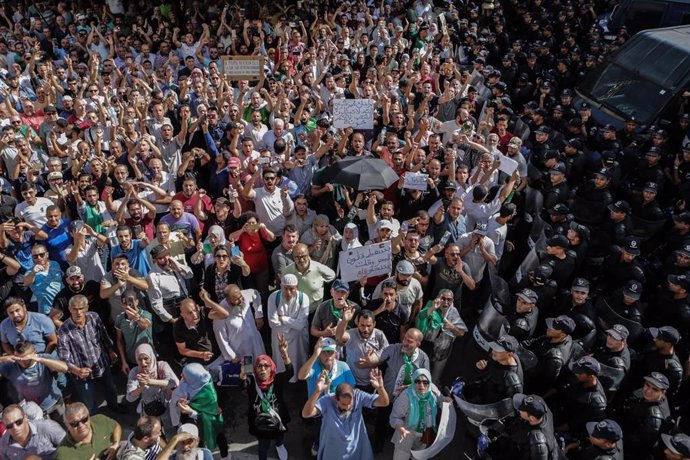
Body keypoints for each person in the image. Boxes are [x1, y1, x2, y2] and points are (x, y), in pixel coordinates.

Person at [56, 295, 125, 414]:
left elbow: (104, 336)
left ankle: (114, 407)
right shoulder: (64, 329)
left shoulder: (94, 317)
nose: (78, 312)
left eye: (81, 308)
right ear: (69, 309)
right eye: (75, 309)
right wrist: (77, 370)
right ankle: (95, 420)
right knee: (88, 401)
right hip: (82, 373)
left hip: (102, 364)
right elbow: (64, 357)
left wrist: (111, 351)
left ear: (86, 308)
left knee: (111, 389)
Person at [302, 368, 389, 460]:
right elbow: (306, 414)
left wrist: (380, 388)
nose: (347, 408)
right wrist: (318, 391)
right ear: (336, 399)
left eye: (350, 404)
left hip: (357, 450)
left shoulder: (358, 396)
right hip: (333, 451)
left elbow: (384, 403)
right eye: (343, 404)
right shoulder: (327, 400)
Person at [240, 337, 291, 460]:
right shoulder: (252, 381)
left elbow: (290, 373)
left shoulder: (277, 380)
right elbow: (243, 383)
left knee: (279, 436)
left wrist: (285, 355)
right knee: (263, 446)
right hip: (259, 423)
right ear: (255, 369)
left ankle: (279, 445)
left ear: (271, 368)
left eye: (266, 366)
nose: (262, 369)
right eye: (259, 366)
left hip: (277, 419)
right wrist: (243, 375)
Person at [170, 363, 229, 460]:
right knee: (197, 440)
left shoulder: (208, 395)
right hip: (194, 422)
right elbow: (178, 393)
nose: (181, 376)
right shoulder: (192, 381)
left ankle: (225, 456)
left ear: (192, 378)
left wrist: (190, 411)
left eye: (184, 375)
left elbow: (209, 416)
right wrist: (180, 402)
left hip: (211, 421)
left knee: (218, 436)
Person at [0, 341, 68, 420]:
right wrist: (4, 358)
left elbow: (64, 368)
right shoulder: (11, 366)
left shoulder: (43, 358)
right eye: (19, 359)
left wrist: (39, 359)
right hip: (35, 410)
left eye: (27, 359)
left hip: (54, 402)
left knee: (63, 429)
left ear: (34, 352)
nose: (23, 362)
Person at [389, 368, 445, 460]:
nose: (421, 385)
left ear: (429, 382)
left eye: (425, 382)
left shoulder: (433, 391)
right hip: (407, 433)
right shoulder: (406, 397)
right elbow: (394, 417)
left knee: (419, 457)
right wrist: (401, 428)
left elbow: (440, 399)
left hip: (424, 433)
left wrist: (446, 400)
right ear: (413, 381)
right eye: (417, 381)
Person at [126, 344, 180, 436]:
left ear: (152, 356)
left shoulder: (162, 366)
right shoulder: (135, 372)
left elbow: (173, 383)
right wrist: (143, 386)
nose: (143, 363)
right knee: (153, 434)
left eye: (146, 358)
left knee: (171, 431)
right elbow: (130, 397)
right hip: (149, 409)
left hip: (166, 405)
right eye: (139, 359)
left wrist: (150, 381)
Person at [414, 289, 467, 381]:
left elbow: (461, 333)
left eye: (449, 299)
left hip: (443, 351)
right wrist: (432, 308)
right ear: (438, 298)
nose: (446, 302)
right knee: (420, 373)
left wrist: (452, 327)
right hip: (427, 347)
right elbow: (421, 317)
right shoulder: (432, 305)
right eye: (443, 298)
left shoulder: (453, 313)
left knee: (435, 378)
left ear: (452, 301)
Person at [268, 274, 310, 381]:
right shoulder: (273, 297)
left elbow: (301, 325)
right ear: (281, 287)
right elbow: (273, 323)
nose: (288, 293)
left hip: (298, 340)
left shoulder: (303, 298)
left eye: (292, 289)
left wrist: (283, 319)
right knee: (281, 363)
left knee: (299, 361)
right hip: (280, 338)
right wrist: (292, 325)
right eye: (285, 289)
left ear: (297, 287)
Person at [56, 402, 121, 460]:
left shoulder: (100, 420)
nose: (81, 425)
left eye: (84, 419)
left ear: (89, 416)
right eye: (74, 423)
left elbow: (116, 426)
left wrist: (116, 444)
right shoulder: (63, 454)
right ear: (66, 424)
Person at [0, 403, 66, 459]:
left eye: (18, 422)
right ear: (5, 427)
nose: (15, 427)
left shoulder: (46, 427)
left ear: (25, 418)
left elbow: (69, 448)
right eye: (9, 426)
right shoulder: (3, 445)